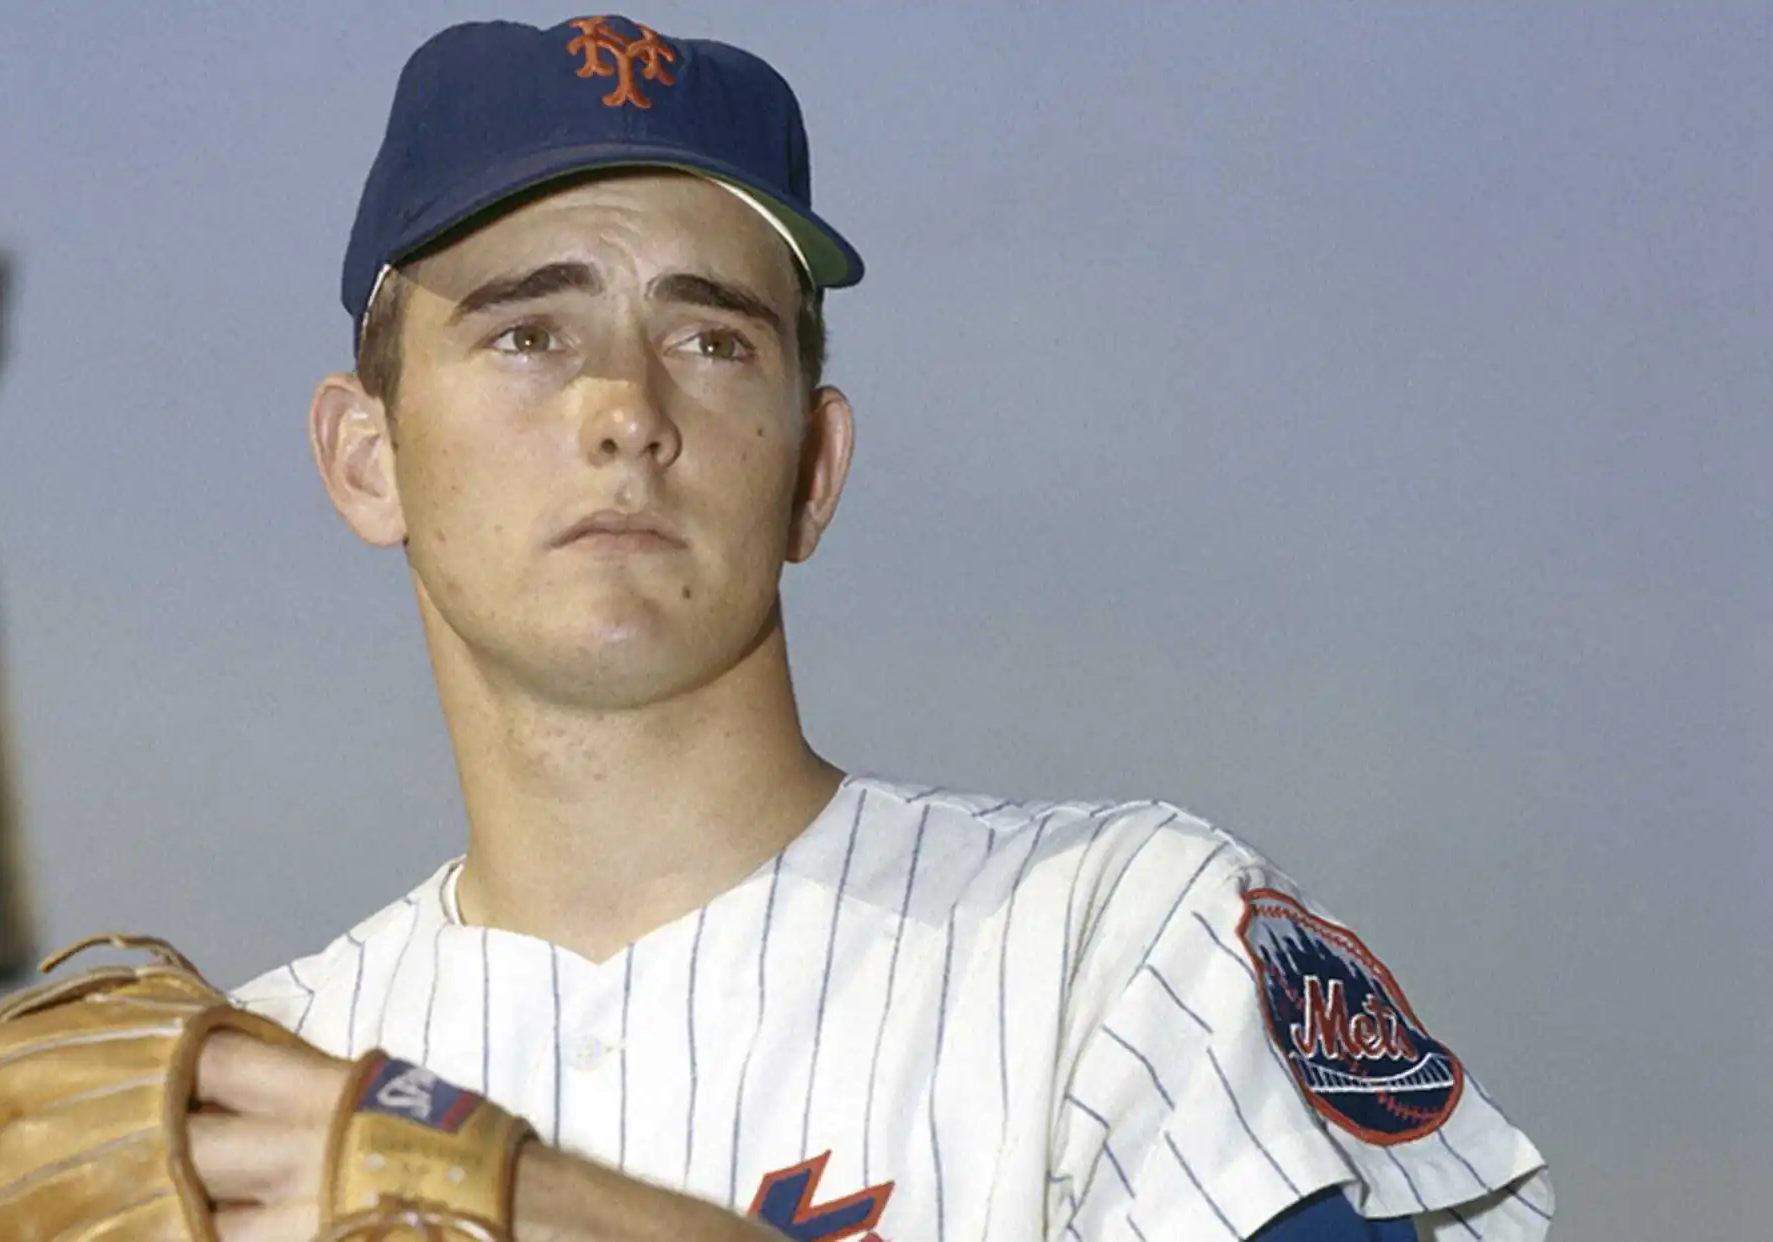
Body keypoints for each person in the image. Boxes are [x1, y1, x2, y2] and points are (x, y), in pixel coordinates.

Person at [186, 15, 1554, 1241]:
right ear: (366, 457)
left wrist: (525, 1197)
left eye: (713, 340)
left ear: (814, 469)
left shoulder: (1118, 947)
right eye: (528, 333)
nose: (623, 405)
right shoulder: (237, 1088)